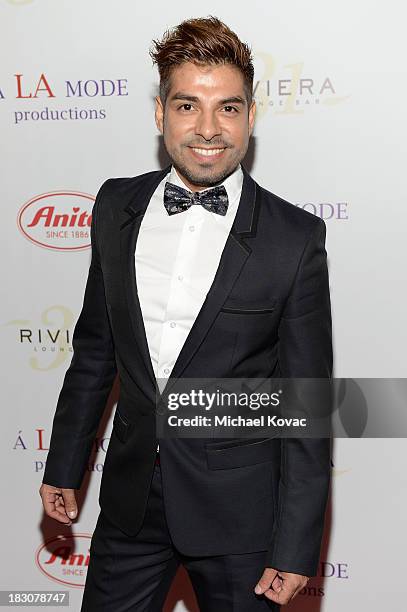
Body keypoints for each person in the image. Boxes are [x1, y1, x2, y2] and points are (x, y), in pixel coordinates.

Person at [39, 16, 333, 611]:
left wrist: (297, 545)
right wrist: (66, 461)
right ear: (159, 114)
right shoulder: (116, 205)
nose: (207, 130)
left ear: (251, 116)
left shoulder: (294, 238)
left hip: (241, 520)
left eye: (227, 108)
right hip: (128, 504)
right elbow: (95, 349)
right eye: (186, 106)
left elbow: (306, 402)